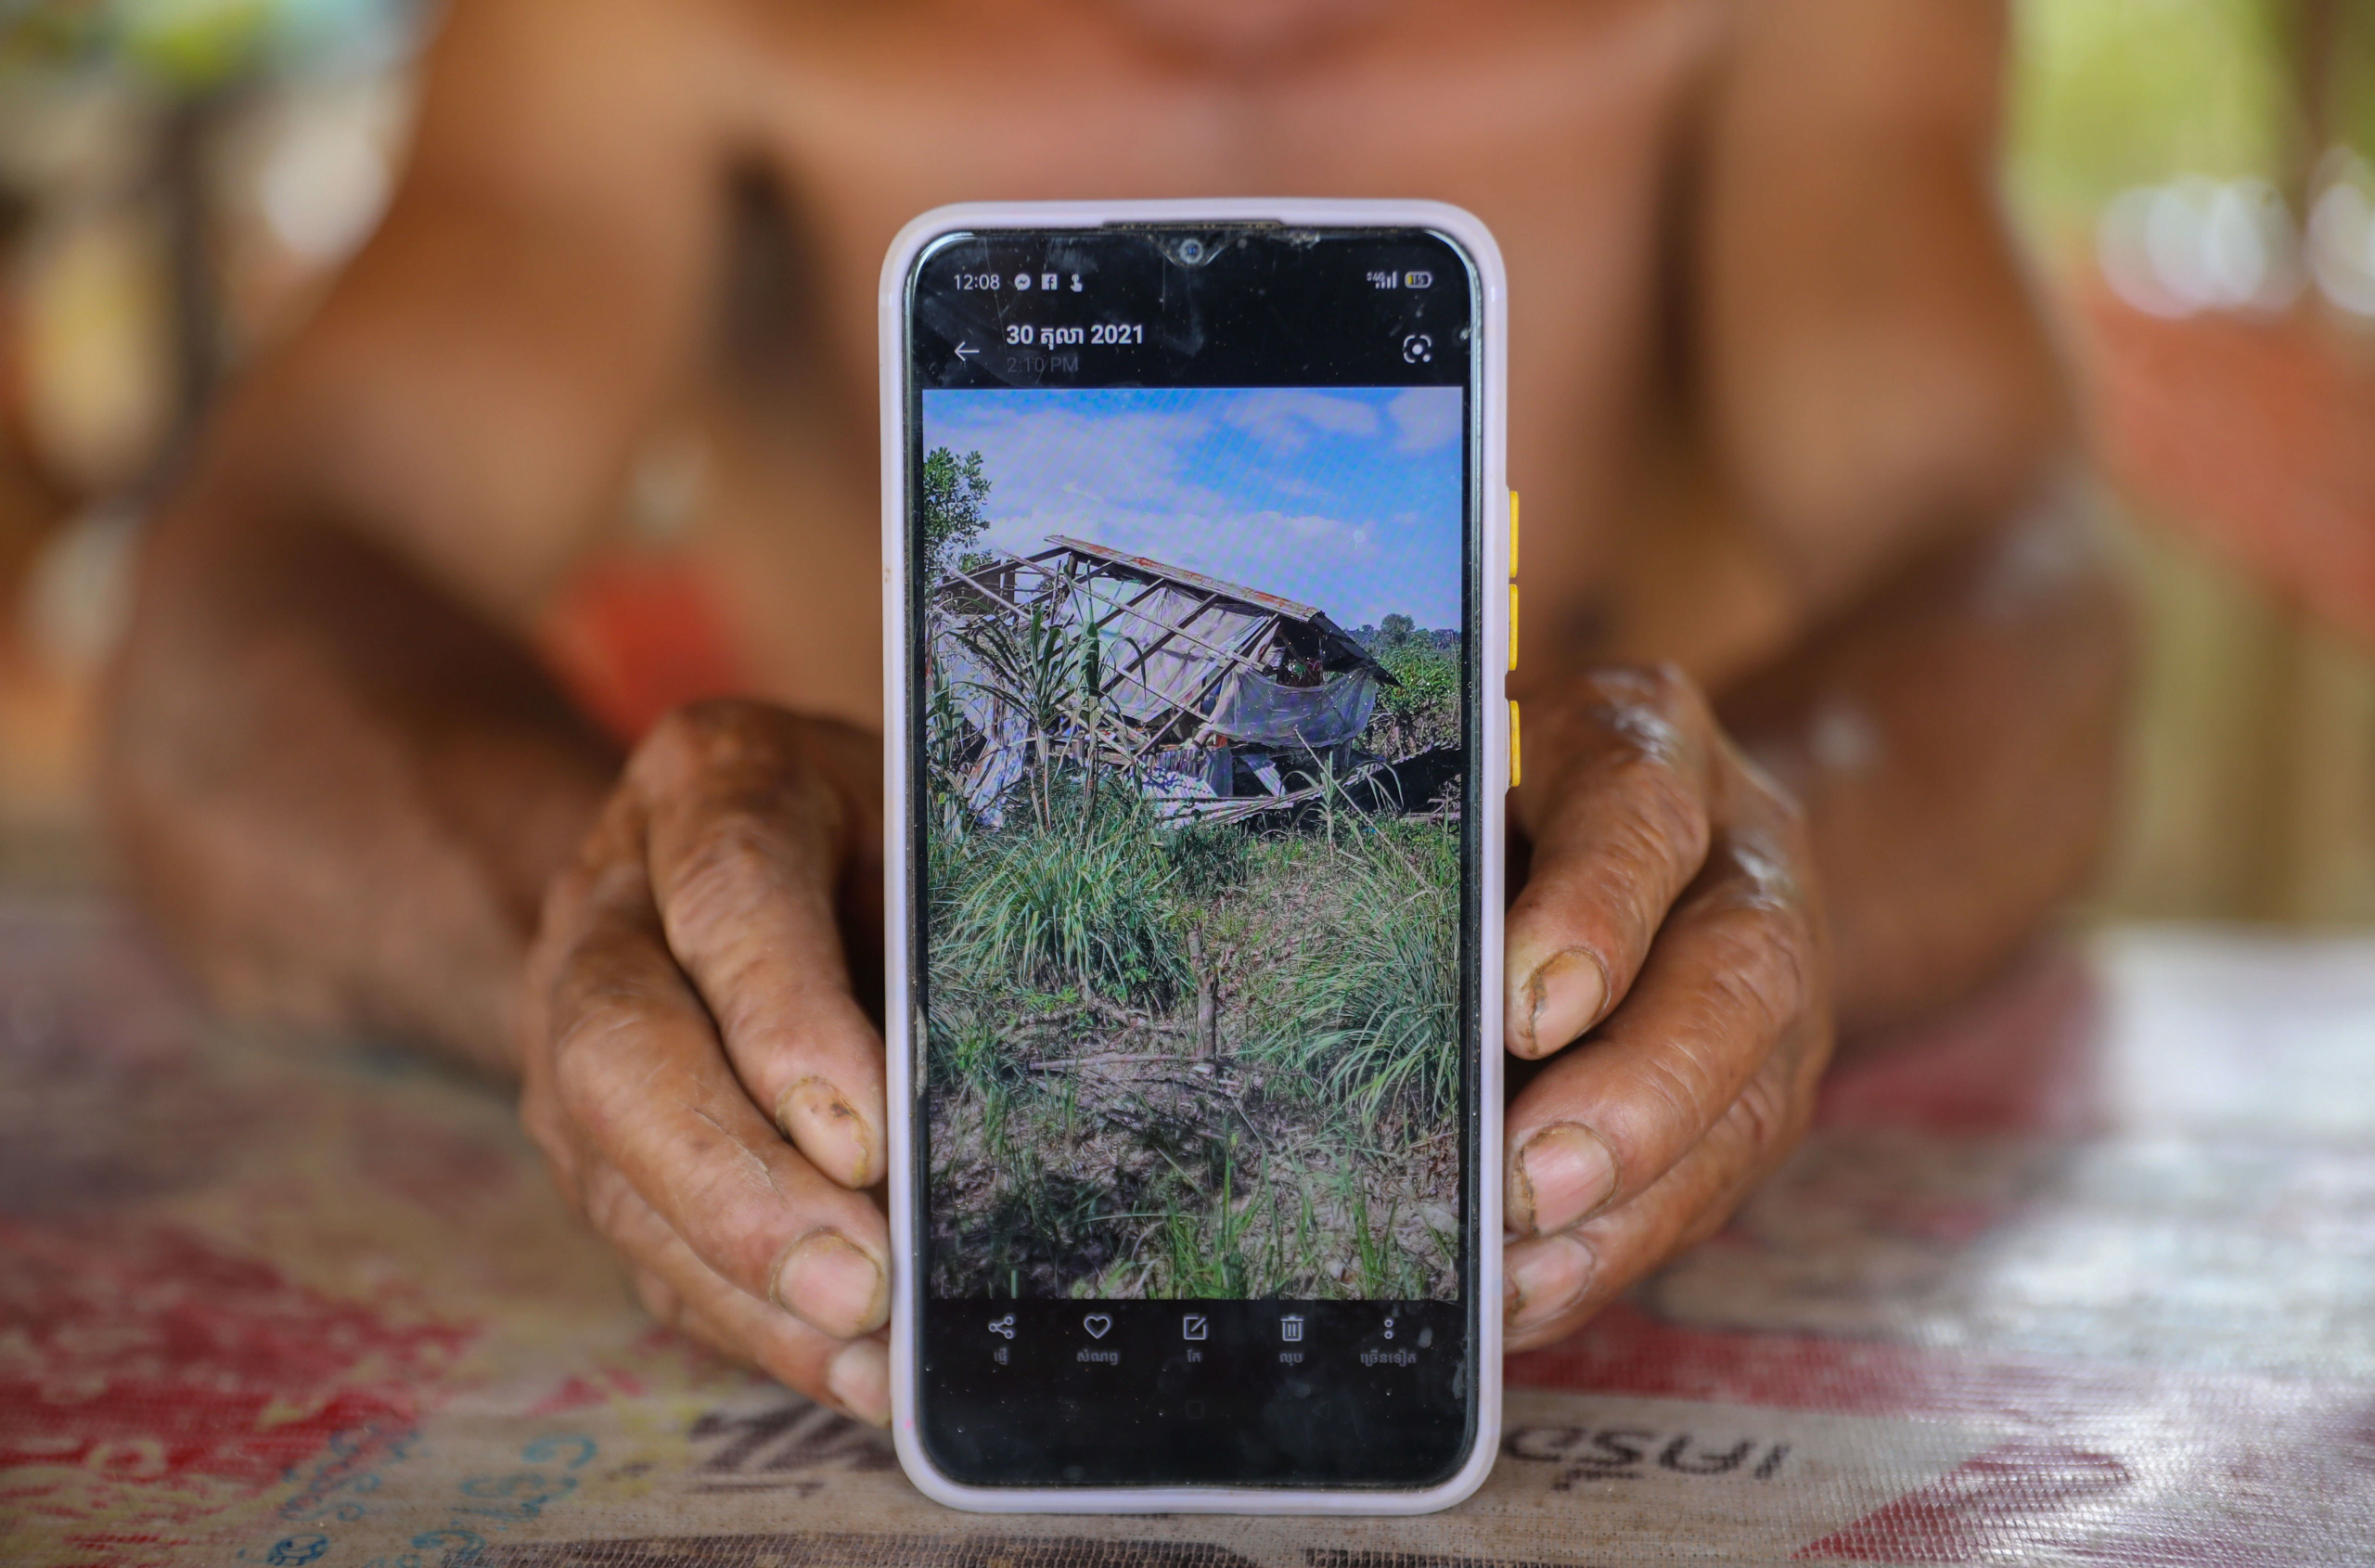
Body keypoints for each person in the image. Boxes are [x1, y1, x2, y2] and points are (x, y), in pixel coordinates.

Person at [100, 0, 2125, 1430]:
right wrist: (648, 946)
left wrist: (1736, 877)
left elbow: (2021, 583)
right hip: (917, 1234)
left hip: (1546, 1236)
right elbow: (232, 618)